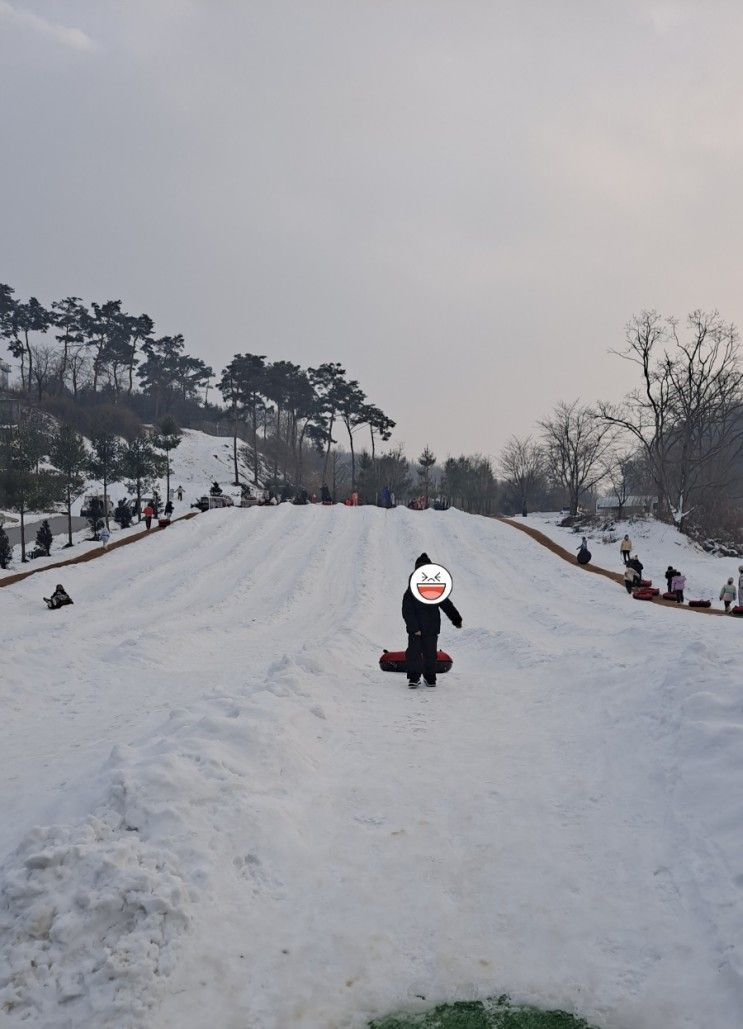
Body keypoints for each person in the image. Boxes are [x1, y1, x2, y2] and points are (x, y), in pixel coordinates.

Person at [402, 552, 462, 688]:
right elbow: (447, 605)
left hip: (421, 629)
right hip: (428, 628)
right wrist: (456, 619)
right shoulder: (427, 588)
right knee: (428, 654)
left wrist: (413, 628)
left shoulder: (417, 588)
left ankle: (422, 678)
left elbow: (407, 611)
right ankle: (426, 678)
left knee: (416, 654)